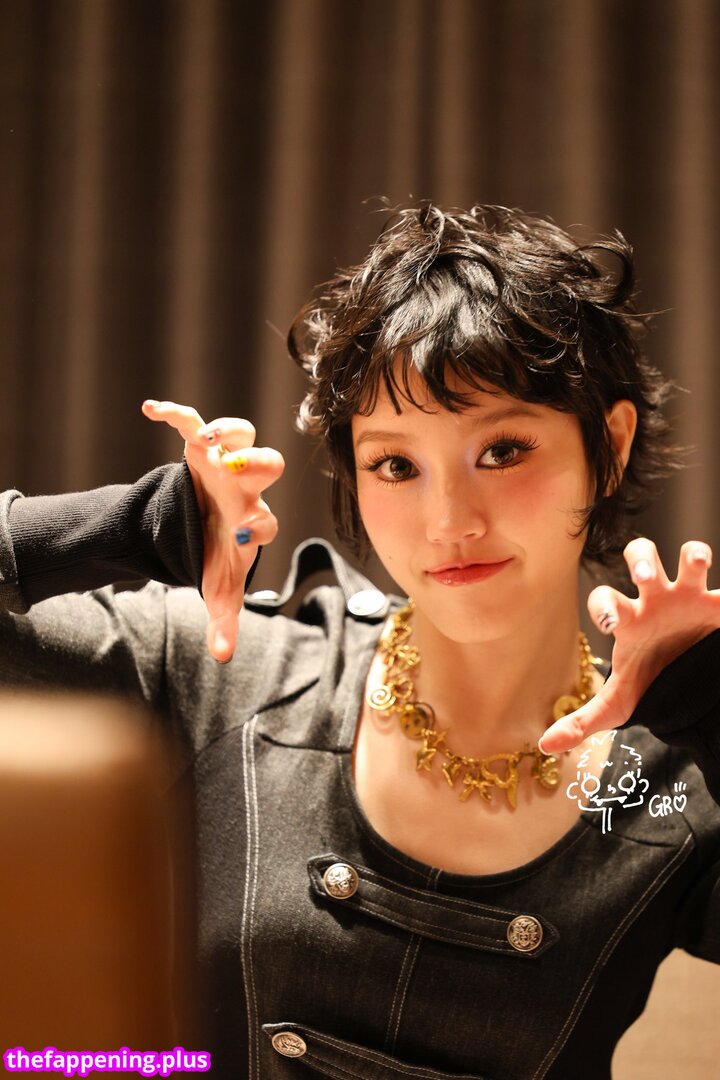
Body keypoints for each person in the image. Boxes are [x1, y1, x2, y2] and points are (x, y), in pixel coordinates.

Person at [2, 204, 719, 1079]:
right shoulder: (227, 672)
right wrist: (133, 526)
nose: (449, 522)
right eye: (395, 465)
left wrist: (715, 712)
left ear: (608, 444)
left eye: (502, 450)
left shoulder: (669, 787)